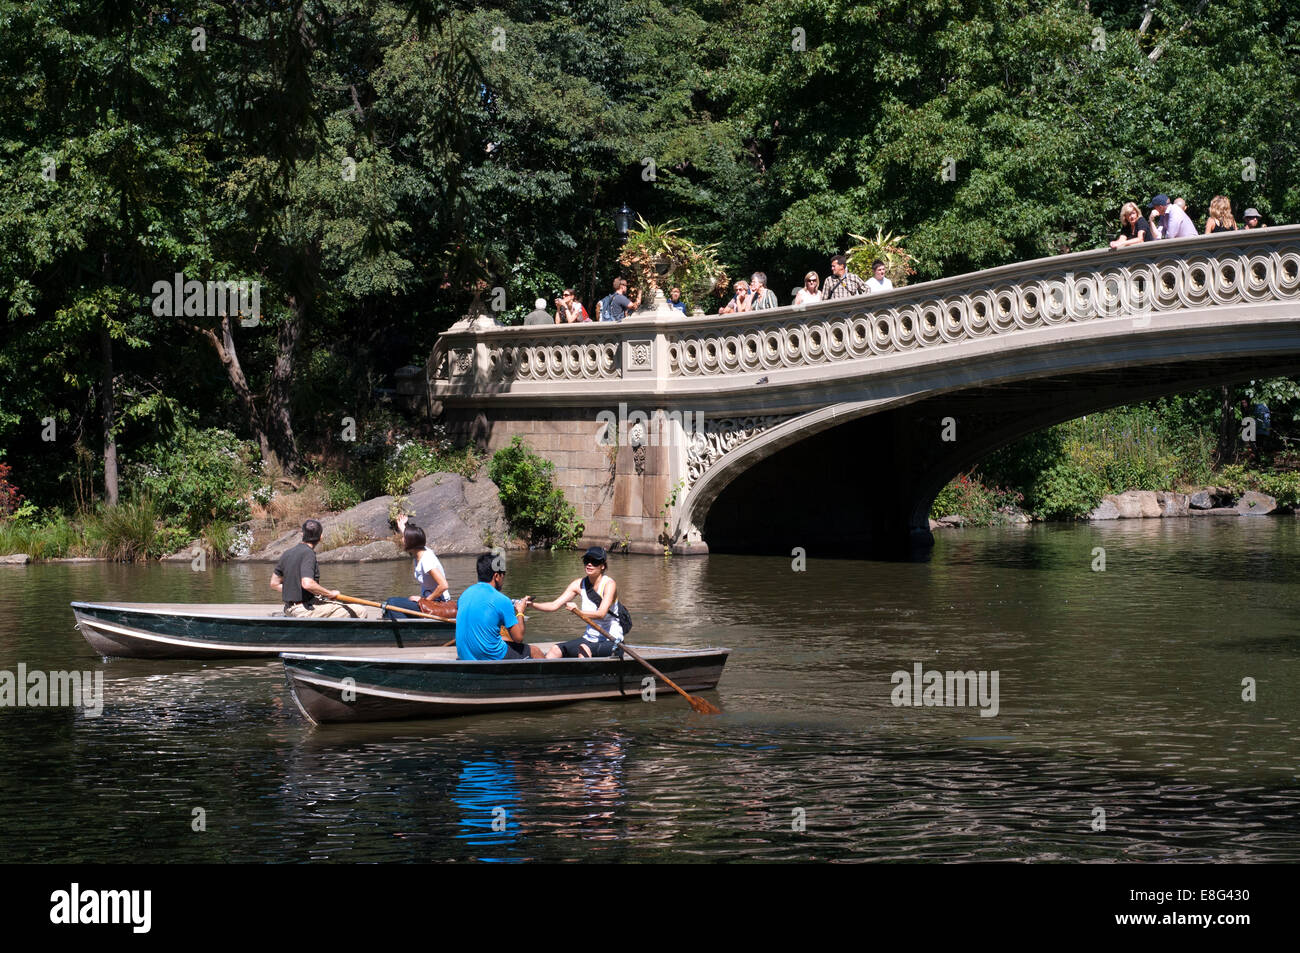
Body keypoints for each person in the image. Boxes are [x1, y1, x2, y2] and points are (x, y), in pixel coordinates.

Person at [531, 547, 624, 658]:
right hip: (588, 638)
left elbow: (601, 614)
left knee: (583, 650)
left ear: (602, 566)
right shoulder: (578, 584)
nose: (589, 564)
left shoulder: (609, 584)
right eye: (586, 561)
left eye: (594, 562)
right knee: (555, 650)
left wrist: (577, 611)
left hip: (611, 640)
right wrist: (531, 605)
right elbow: (553, 605)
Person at [271, 519, 371, 618]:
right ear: (321, 537)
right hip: (303, 611)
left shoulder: (287, 553)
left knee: (340, 604)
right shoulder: (308, 553)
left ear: (302, 534)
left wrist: (294, 592)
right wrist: (329, 593)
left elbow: (274, 583)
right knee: (360, 611)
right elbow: (307, 584)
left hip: (289, 608)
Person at [455, 553, 544, 660]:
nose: (503, 580)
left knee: (502, 637)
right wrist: (520, 612)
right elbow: (518, 637)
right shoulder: (502, 600)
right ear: (496, 576)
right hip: (491, 656)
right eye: (503, 575)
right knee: (535, 651)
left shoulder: (464, 595)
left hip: (464, 655)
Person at [381, 515, 452, 621]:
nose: (401, 540)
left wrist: (424, 601)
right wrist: (402, 525)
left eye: (404, 538)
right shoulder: (420, 550)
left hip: (437, 603)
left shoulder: (426, 560)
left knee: (392, 603)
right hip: (429, 601)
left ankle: (407, 631)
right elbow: (413, 536)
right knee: (388, 607)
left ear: (411, 542)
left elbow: (444, 585)